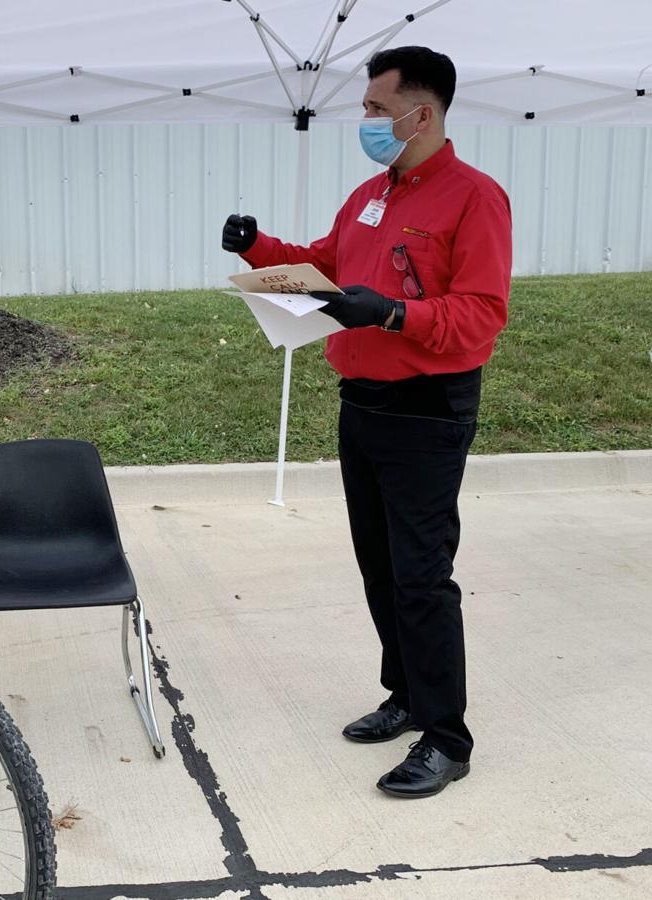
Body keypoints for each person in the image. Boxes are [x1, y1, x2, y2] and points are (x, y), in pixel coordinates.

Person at [222, 46, 511, 798]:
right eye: (367, 109)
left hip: (427, 410)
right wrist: (257, 248)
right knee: (380, 567)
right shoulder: (368, 197)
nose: (368, 121)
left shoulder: (475, 199)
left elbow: (480, 316)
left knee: (421, 576)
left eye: (378, 109)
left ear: (423, 113)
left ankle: (447, 736)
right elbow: (324, 261)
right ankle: (407, 694)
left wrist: (389, 312)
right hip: (364, 404)